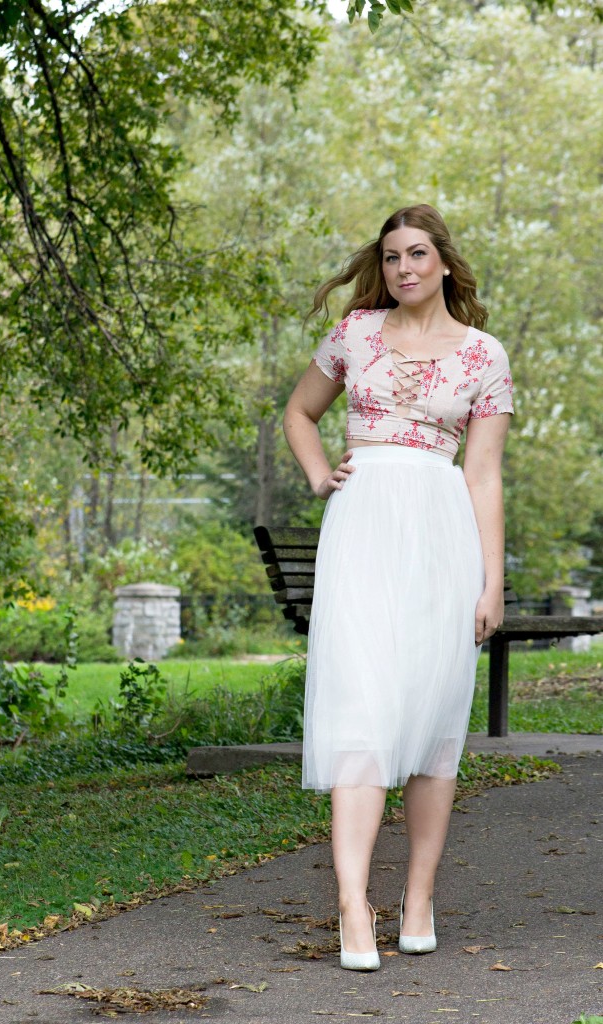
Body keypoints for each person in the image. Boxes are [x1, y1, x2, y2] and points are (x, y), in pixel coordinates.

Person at [282, 204, 514, 971]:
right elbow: (300, 412)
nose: (403, 268)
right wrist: (321, 476)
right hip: (362, 528)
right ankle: (353, 901)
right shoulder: (354, 337)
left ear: (444, 262)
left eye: (417, 255)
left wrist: (492, 583)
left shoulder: (484, 355)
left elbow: (482, 473)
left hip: (440, 532)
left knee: (431, 714)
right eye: (390, 257)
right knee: (361, 706)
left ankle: (418, 895)